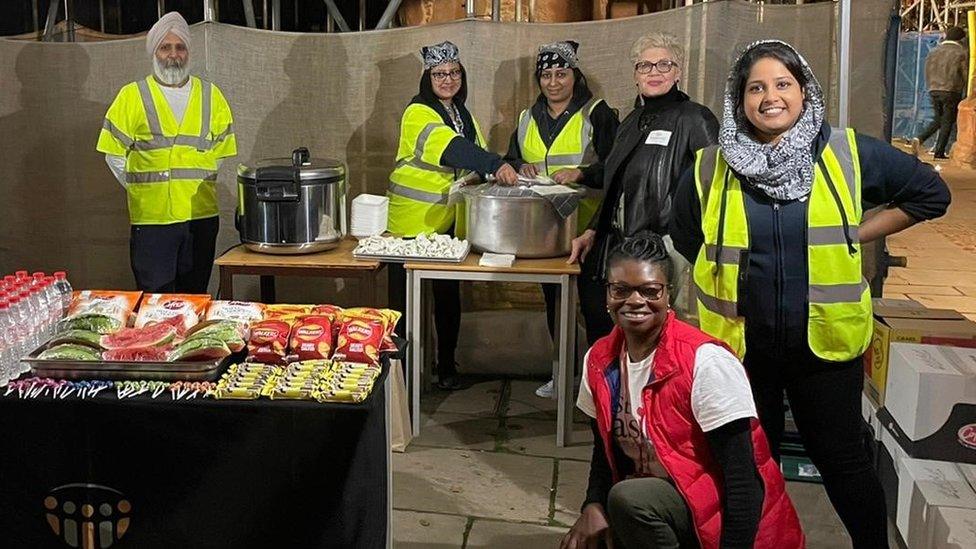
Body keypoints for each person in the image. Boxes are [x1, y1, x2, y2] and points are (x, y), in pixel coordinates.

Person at [670, 40, 951, 548]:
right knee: (748, 466)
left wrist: (858, 232)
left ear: (805, 91)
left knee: (844, 461)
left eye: (783, 84)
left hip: (824, 346)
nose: (770, 97)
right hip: (740, 348)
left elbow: (931, 195)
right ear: (739, 97)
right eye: (756, 87)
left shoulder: (846, 152)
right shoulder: (711, 165)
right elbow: (690, 235)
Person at [562, 233, 804, 549]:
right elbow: (603, 449)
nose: (634, 301)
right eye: (620, 290)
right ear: (607, 296)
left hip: (729, 522)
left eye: (650, 290)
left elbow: (744, 481)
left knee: (629, 499)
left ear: (668, 295)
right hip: (665, 504)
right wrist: (592, 504)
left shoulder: (705, 362)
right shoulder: (599, 359)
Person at [569, 32, 718, 352]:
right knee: (629, 332)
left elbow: (714, 188)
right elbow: (616, 183)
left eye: (664, 64)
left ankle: (662, 401)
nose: (654, 72)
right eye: (645, 66)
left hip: (671, 246)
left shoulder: (695, 118)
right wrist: (593, 229)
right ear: (635, 75)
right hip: (626, 243)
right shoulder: (631, 121)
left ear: (679, 72)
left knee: (663, 332)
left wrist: (695, 245)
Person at [386, 41, 518, 390]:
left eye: (454, 72)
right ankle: (402, 380)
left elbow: (472, 155)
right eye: (439, 73)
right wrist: (494, 164)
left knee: (447, 296)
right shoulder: (418, 112)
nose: (447, 79)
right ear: (427, 78)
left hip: (445, 224)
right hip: (412, 226)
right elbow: (452, 149)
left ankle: (446, 369)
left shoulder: (463, 113)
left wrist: (505, 165)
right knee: (406, 305)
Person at [503, 40, 619, 398]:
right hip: (545, 232)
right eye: (547, 75)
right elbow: (510, 158)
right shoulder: (527, 118)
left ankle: (604, 384)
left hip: (588, 229)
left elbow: (616, 169)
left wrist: (582, 173)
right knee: (556, 304)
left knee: (596, 309)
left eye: (561, 74)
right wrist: (519, 165)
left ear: (575, 75)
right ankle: (565, 374)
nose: (554, 82)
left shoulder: (597, 114)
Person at [97, 12, 237, 293]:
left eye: (180, 47)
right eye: (165, 47)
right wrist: (144, 189)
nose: (173, 54)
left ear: (188, 52)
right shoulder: (131, 96)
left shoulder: (212, 96)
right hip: (152, 221)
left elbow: (220, 154)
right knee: (155, 303)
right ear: (154, 52)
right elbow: (113, 155)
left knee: (194, 299)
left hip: (200, 219)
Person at [912, 26, 968, 160]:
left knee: (939, 119)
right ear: (960, 39)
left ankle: (919, 138)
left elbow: (927, 69)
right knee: (948, 121)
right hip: (951, 90)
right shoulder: (961, 52)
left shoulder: (934, 51)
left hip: (934, 88)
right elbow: (964, 72)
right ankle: (939, 151)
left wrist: (931, 85)